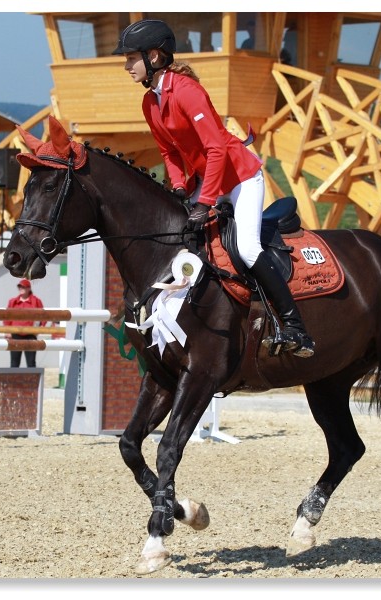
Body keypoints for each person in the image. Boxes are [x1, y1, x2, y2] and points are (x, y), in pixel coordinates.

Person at [112, 19, 314, 358]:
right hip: (206, 179)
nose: (126, 65)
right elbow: (169, 153)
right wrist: (178, 186)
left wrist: (205, 201)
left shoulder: (187, 91)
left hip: (239, 178)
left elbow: (217, 149)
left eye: (131, 58)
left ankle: (295, 326)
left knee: (248, 248)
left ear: (155, 57)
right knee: (177, 236)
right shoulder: (150, 103)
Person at [4, 278, 46, 367]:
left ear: (29, 288)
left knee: (31, 363)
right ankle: (13, 380)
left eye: (23, 287)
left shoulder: (36, 301)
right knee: (14, 362)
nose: (20, 288)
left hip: (30, 335)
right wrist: (7, 331)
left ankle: (32, 380)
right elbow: (7, 317)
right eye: (19, 286)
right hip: (15, 334)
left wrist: (40, 328)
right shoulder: (13, 302)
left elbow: (43, 316)